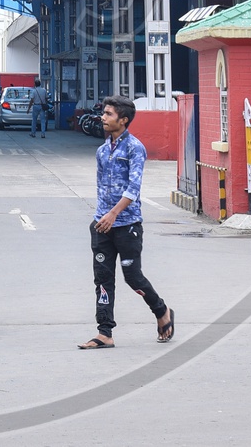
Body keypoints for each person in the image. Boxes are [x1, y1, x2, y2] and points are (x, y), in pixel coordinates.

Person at [79, 95, 173, 350]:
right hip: (102, 226)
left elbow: (134, 188)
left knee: (133, 277)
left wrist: (114, 214)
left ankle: (161, 310)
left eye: (108, 114)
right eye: (104, 113)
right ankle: (104, 332)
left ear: (123, 120)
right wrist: (101, 216)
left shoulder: (134, 148)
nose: (103, 117)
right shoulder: (101, 151)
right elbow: (100, 187)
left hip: (127, 225)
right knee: (103, 279)